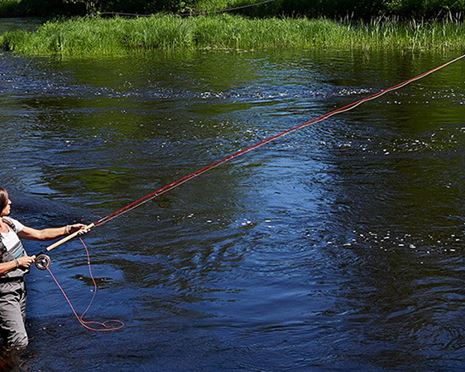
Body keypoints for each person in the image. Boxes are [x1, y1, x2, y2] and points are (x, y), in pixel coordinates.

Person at [0, 187, 85, 350]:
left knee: (11, 335)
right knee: (19, 342)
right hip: (3, 293)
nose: (10, 202)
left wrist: (69, 229)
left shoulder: (9, 223)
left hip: (19, 287)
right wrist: (17, 263)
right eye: (6, 200)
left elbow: (40, 234)